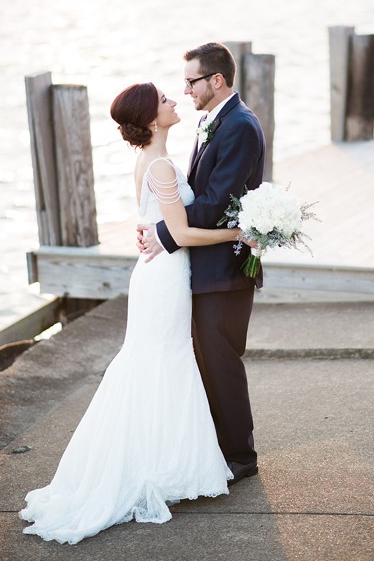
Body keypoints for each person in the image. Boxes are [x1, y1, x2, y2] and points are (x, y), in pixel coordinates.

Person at [20, 81, 253, 544]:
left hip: (157, 273)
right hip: (164, 276)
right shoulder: (162, 165)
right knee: (163, 361)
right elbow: (182, 234)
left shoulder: (150, 160)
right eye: (164, 100)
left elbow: (155, 222)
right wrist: (237, 234)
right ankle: (156, 467)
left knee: (155, 362)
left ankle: (158, 460)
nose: (172, 101)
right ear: (151, 118)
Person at [137, 43, 265, 486]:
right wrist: (161, 226)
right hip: (203, 267)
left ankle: (240, 457)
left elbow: (215, 205)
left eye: (192, 80)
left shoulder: (239, 126)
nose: (185, 89)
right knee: (208, 361)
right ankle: (217, 448)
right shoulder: (213, 122)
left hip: (225, 271)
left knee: (221, 360)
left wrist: (164, 231)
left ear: (217, 80)